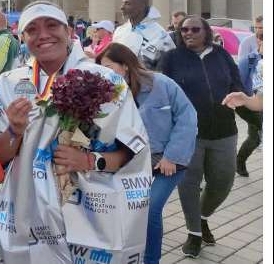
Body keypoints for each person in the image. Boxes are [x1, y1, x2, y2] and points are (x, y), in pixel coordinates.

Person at [0, 1, 151, 263]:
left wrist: (89, 160)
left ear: (69, 31)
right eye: (32, 29)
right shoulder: (5, 86)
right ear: (23, 37)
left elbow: (132, 153)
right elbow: (0, 155)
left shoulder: (107, 82)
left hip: (94, 213)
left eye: (52, 25)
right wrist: (15, 131)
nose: (43, 35)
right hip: (29, 212)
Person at [97, 43, 197, 264]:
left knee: (150, 209)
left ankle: (151, 260)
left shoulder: (161, 83)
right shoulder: (108, 92)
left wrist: (172, 156)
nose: (104, 73)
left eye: (108, 67)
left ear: (124, 65)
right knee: (125, 209)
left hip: (167, 160)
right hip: (131, 161)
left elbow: (188, 118)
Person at [159, 15, 243, 258]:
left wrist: (242, 100)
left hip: (225, 130)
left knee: (222, 182)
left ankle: (202, 217)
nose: (188, 33)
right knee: (189, 185)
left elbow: (236, 83)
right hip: (188, 134)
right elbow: (162, 93)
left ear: (206, 32)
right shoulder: (172, 58)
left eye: (195, 29)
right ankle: (194, 233)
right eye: (183, 29)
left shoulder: (221, 55)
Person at [114, 0, 175, 69]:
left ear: (141, 7)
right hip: (120, 80)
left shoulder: (161, 35)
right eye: (123, 3)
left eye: (127, 4)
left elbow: (169, 66)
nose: (122, 7)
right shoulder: (120, 30)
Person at [234, 17, 263, 177]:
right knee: (257, 134)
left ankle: (239, 161)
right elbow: (238, 82)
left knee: (256, 137)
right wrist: (249, 99)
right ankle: (239, 161)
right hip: (248, 103)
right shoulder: (250, 60)